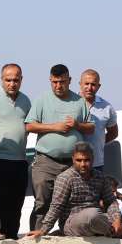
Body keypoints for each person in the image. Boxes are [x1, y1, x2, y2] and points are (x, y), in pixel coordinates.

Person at [25, 64, 93, 229]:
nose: (58, 85)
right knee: (43, 201)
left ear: (69, 81)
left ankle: (66, 236)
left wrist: (77, 125)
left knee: (72, 202)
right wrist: (54, 127)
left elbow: (91, 128)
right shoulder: (42, 100)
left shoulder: (79, 101)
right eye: (54, 82)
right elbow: (29, 126)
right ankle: (37, 236)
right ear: (50, 80)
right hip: (46, 161)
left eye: (62, 81)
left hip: (72, 163)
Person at [26, 143, 122, 239]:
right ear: (73, 159)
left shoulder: (100, 177)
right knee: (93, 215)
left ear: (93, 159)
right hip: (72, 223)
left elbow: (110, 201)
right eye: (79, 160)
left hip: (96, 220)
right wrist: (43, 230)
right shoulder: (65, 178)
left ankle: (111, 230)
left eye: (86, 160)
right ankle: (111, 232)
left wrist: (116, 220)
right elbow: (56, 206)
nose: (83, 164)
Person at [0, 64, 31, 239]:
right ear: (1, 79)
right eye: (8, 80)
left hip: (20, 160)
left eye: (16, 80)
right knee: (0, 204)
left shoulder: (26, 101)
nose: (12, 83)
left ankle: (12, 239)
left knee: (16, 203)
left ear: (21, 80)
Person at [80, 69, 118, 173]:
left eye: (93, 84)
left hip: (96, 163)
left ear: (98, 86)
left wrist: (98, 143)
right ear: (80, 84)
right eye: (86, 84)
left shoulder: (107, 107)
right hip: (72, 162)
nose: (89, 87)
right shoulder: (71, 103)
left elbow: (113, 133)